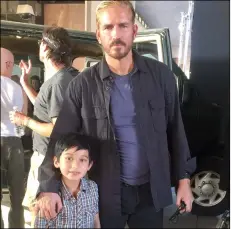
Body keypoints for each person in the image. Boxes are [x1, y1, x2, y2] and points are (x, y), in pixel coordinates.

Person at [35, 1, 196, 228]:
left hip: (151, 192)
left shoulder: (161, 77)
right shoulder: (82, 86)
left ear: (134, 30)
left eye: (123, 26)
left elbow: (176, 132)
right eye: (108, 27)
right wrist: (49, 188)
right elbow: (60, 139)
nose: (116, 34)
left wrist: (184, 180)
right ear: (99, 35)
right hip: (105, 192)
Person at [9, 26, 75, 215]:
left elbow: (57, 128)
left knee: (39, 214)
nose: (39, 47)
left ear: (46, 48)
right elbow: (43, 106)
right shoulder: (58, 80)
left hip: (48, 160)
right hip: (47, 157)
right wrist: (24, 82)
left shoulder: (59, 83)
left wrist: (25, 121)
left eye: (40, 43)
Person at [33, 133, 100, 228]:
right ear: (56, 162)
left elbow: (95, 219)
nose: (75, 166)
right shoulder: (49, 198)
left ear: (89, 165)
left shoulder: (92, 187)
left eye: (82, 160)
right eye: (69, 158)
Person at [1, 48, 25, 228]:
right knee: (17, 195)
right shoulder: (17, 88)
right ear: (9, 65)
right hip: (14, 142)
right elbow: (22, 118)